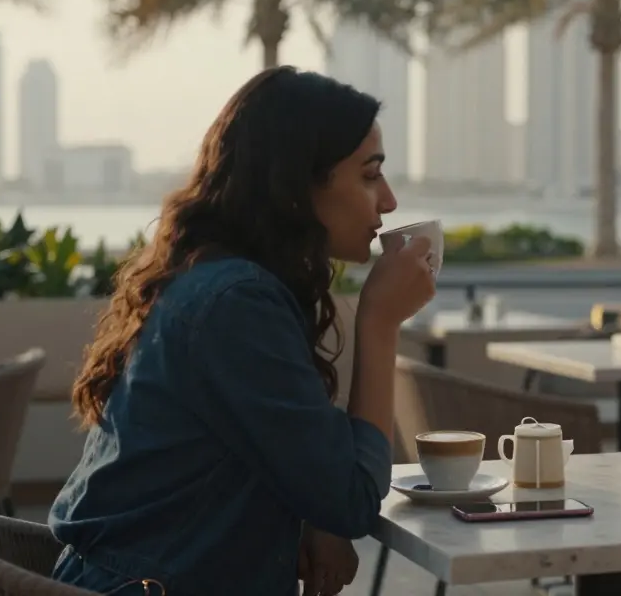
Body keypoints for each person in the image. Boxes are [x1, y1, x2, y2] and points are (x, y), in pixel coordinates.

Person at [49, 67, 436, 596]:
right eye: (369, 175)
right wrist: (380, 323)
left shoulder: (220, 283)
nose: (388, 201)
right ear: (298, 186)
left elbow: (265, 457)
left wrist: (305, 515)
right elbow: (351, 501)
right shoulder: (237, 306)